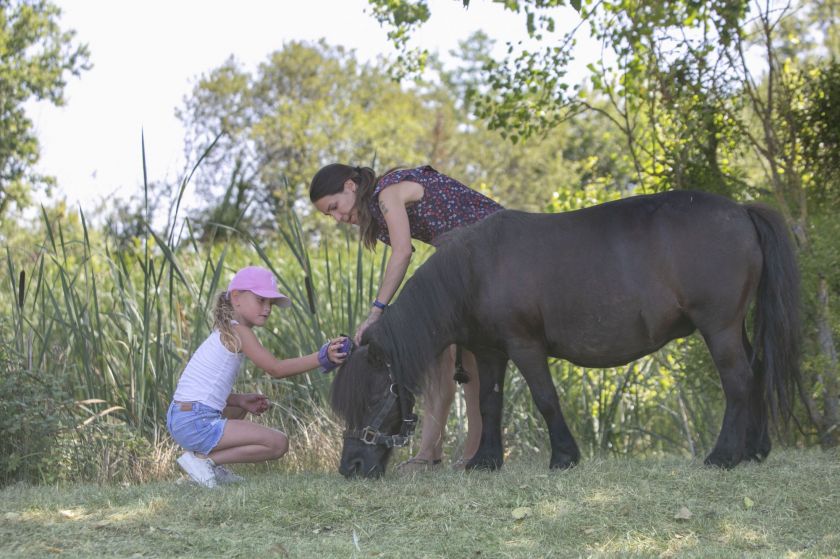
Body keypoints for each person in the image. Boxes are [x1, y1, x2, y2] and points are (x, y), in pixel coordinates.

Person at [309, 164, 504, 471]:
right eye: (328, 215)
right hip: (464, 258)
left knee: (465, 359)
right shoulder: (379, 208)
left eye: (334, 207)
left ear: (350, 186)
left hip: (491, 251)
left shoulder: (387, 194)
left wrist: (376, 311)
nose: (337, 218)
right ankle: (430, 454)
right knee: (442, 354)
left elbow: (403, 253)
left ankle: (471, 453)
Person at [167, 265, 348, 487]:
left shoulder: (224, 332)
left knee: (240, 407)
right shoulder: (240, 332)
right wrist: (322, 357)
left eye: (270, 303)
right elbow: (275, 369)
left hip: (182, 417)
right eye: (261, 300)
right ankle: (204, 462)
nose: (268, 308)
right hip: (196, 421)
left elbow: (199, 390)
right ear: (236, 298)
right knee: (278, 444)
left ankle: (205, 467)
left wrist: (240, 400)